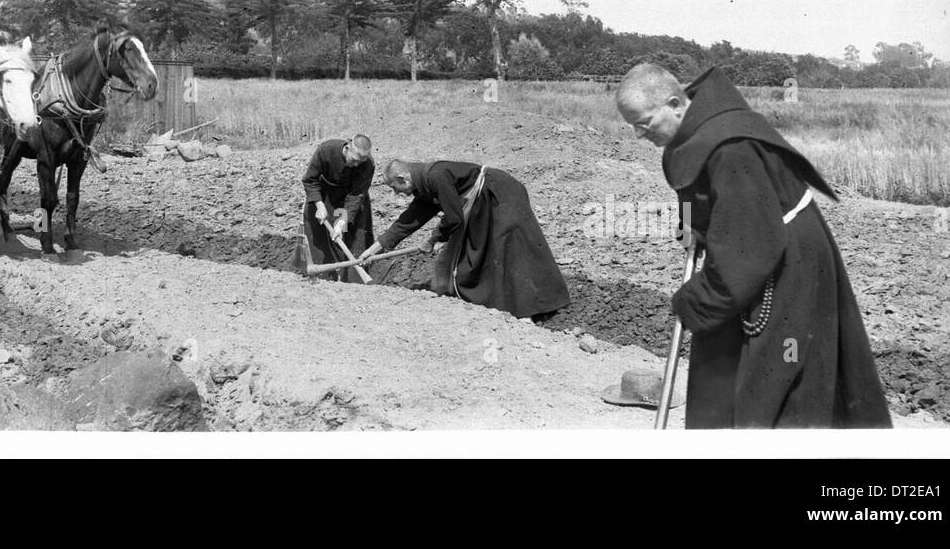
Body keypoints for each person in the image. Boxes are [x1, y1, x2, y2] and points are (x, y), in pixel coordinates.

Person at [616, 62, 891, 429]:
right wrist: (689, 225)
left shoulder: (732, 148)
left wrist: (694, 300)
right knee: (727, 363)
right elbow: (690, 181)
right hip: (748, 244)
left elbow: (750, 250)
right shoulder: (687, 132)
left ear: (674, 104)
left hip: (785, 260)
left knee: (781, 366)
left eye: (644, 123)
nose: (637, 134)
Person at [359, 159, 571, 322]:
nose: (397, 194)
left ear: (404, 179)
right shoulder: (425, 184)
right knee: (488, 251)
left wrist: (433, 239)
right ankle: (508, 304)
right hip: (483, 202)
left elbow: (453, 219)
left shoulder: (436, 176)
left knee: (507, 247)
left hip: (500, 195)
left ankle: (537, 305)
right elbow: (408, 220)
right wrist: (375, 249)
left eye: (396, 188)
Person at [300, 135, 376, 283]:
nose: (355, 165)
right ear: (347, 148)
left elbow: (356, 195)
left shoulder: (367, 164)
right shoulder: (326, 150)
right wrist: (320, 205)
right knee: (318, 233)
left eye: (360, 162)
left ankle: (353, 281)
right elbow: (310, 179)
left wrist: (342, 222)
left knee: (353, 235)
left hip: (350, 197)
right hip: (324, 194)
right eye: (353, 160)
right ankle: (323, 276)